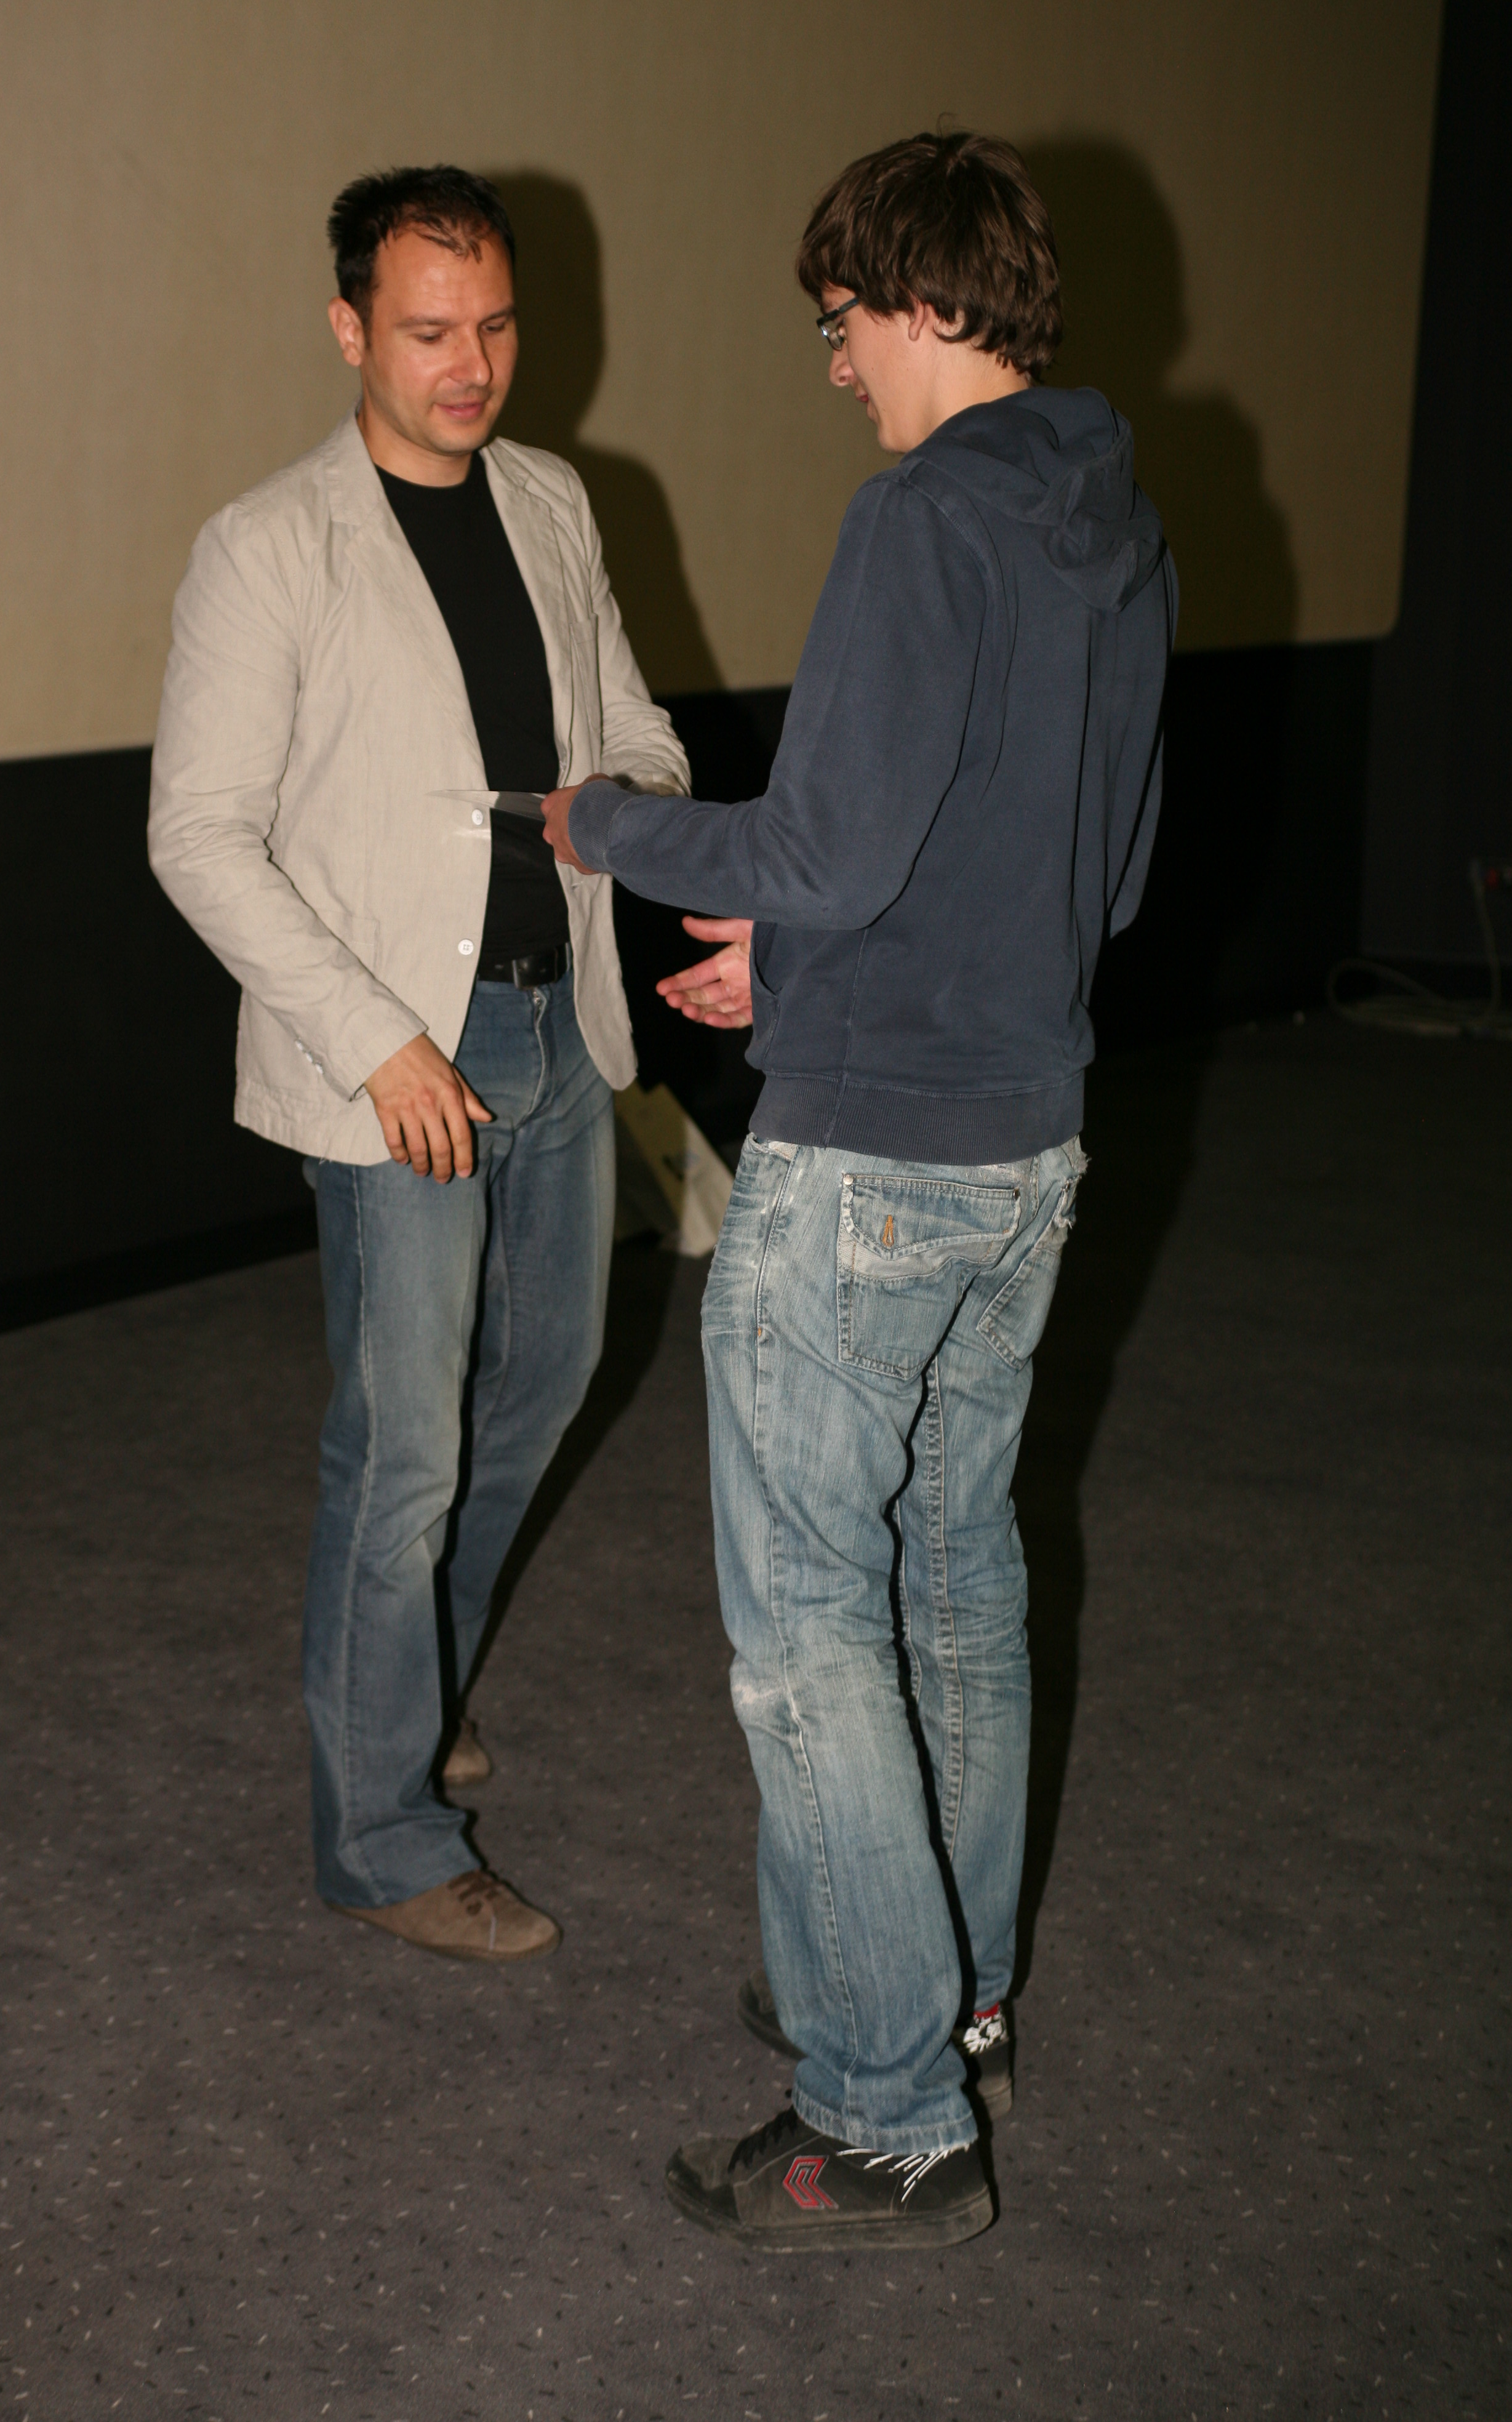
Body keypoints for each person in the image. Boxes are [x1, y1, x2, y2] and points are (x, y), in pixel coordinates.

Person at [543, 132, 1174, 2245]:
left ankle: (889, 2110)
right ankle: (940, 1996)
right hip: (1028, 1148)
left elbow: (822, 843)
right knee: (959, 1589)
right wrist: (803, 960)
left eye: (840, 326)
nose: (838, 372)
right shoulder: (1113, 517)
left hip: (868, 1167)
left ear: (918, 300)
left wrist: (606, 825)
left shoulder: (921, 518)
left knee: (809, 1632)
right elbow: (1091, 877)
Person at [150, 166, 689, 1962]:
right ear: (350, 331)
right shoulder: (269, 545)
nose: (472, 367)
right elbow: (197, 835)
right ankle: (382, 1836)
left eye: (497, 326)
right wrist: (379, 1040)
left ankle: (407, 1685)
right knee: (402, 1456)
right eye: (430, 332)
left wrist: (642, 817)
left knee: (544, 1386)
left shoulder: (553, 501)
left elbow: (635, 730)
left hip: (556, 1023)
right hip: (397, 1057)